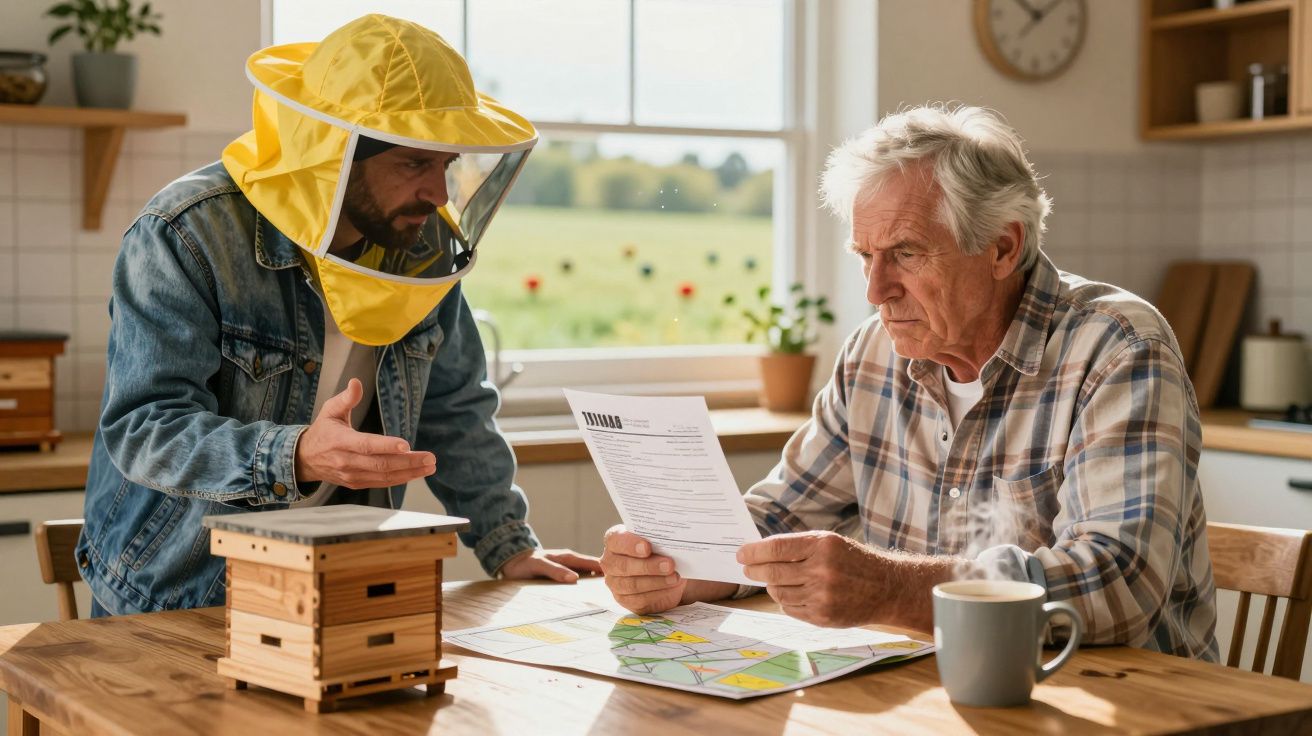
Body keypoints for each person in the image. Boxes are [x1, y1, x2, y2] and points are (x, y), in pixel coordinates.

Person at [599, 104, 1217, 659]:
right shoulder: (873, 353)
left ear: (1003, 248)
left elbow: (1119, 582)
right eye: (865, 257)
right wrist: (682, 567)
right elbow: (776, 522)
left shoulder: (1116, 349)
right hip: (932, 697)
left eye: (907, 254)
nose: (875, 290)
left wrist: (894, 589)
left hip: (1125, 709)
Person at [78, 14, 601, 616]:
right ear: (336, 153)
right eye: (413, 164)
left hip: (340, 589)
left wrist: (509, 544)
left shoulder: (422, 243)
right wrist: (295, 454)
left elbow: (454, 409)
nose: (440, 194)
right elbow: (145, 426)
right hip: (175, 598)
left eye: (446, 164)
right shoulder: (186, 233)